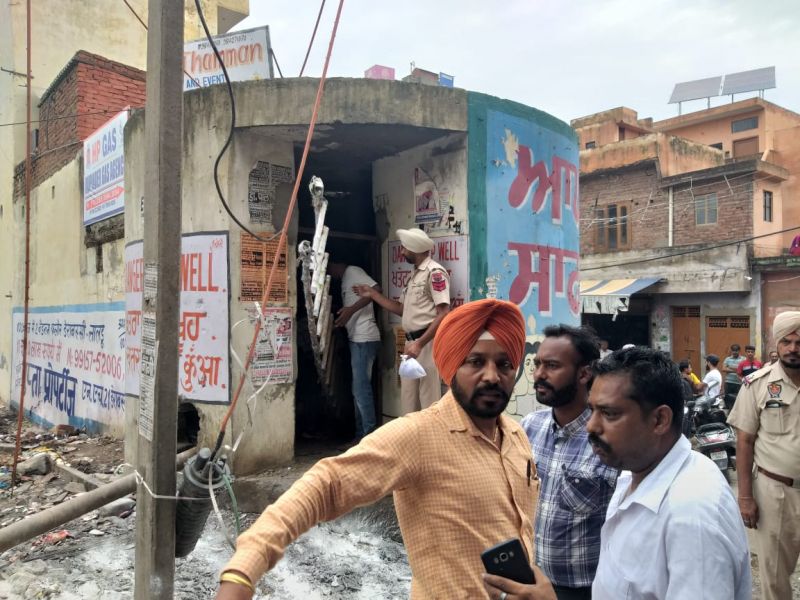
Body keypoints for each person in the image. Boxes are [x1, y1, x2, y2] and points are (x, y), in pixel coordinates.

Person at [216, 299, 540, 600]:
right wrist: (244, 569)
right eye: (475, 362)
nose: (491, 376)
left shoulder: (515, 436)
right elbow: (327, 484)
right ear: (452, 366)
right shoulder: (418, 435)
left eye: (504, 364)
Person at [486, 347, 751, 600]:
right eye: (592, 410)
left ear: (659, 420)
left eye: (609, 414)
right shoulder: (633, 474)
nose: (591, 426)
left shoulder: (692, 516)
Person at [521, 325, 618, 600]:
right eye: (537, 364)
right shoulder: (529, 428)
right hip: (530, 580)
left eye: (552, 366)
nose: (539, 374)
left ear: (584, 373)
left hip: (586, 589)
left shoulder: (608, 439)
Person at [727, 311, 800, 600]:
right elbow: (744, 442)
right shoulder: (757, 384)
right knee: (774, 575)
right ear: (776, 344)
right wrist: (745, 497)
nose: (794, 348)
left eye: (799, 341)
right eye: (787, 341)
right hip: (774, 492)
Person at [355, 228, 450, 413]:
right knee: (408, 403)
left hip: (427, 344)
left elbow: (444, 312)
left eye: (405, 248)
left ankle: (429, 442)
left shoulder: (435, 273)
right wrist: (373, 294)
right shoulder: (414, 275)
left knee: (429, 403)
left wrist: (420, 343)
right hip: (411, 345)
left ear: (415, 249)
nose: (402, 252)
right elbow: (401, 309)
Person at [328, 263, 381, 439]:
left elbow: (376, 289)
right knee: (357, 389)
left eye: (329, 269)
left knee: (361, 389)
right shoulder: (345, 280)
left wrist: (351, 311)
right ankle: (361, 435)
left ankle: (368, 435)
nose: (329, 274)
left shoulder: (353, 271)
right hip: (357, 339)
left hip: (364, 338)